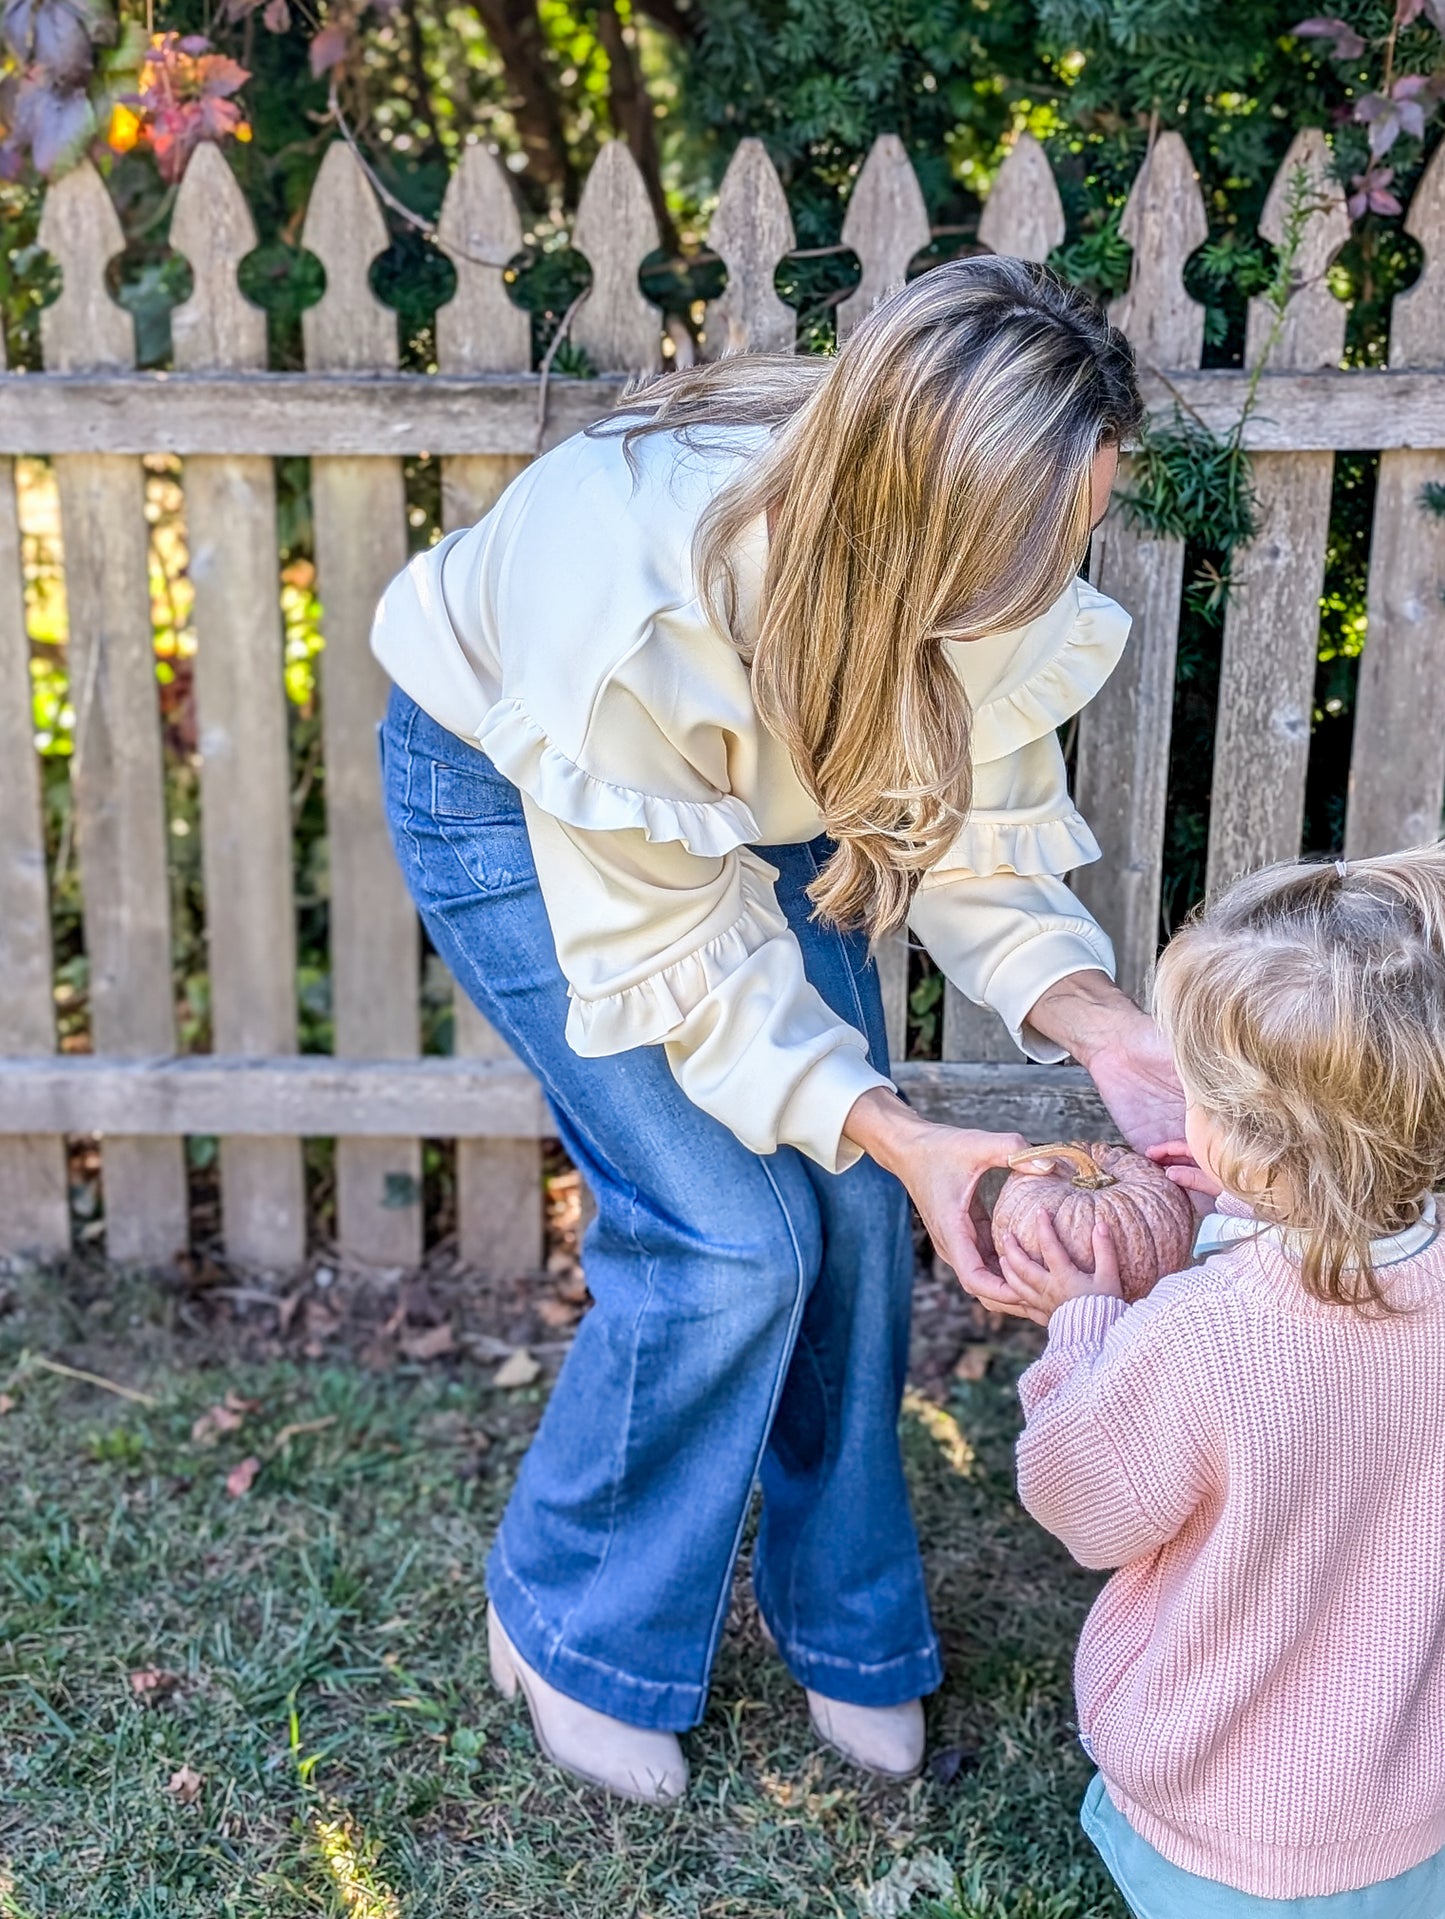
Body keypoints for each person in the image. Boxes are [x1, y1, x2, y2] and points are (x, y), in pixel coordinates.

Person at [369, 256, 1181, 1804]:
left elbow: (982, 838)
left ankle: (848, 1618)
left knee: (865, 1208)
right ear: (938, 520)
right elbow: (688, 961)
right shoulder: (632, 595)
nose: (1077, 555)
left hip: (776, 773)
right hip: (538, 796)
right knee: (730, 1235)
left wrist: (1107, 1031)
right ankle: (571, 1619)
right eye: (1056, 532)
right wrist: (897, 1115)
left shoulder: (988, 556)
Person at [987, 847, 1445, 1914]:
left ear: (1242, 1141)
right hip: (1408, 1796)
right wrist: (1248, 1210)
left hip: (1223, 1814)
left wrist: (1080, 1321)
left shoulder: (1198, 1332)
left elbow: (1080, 1499)